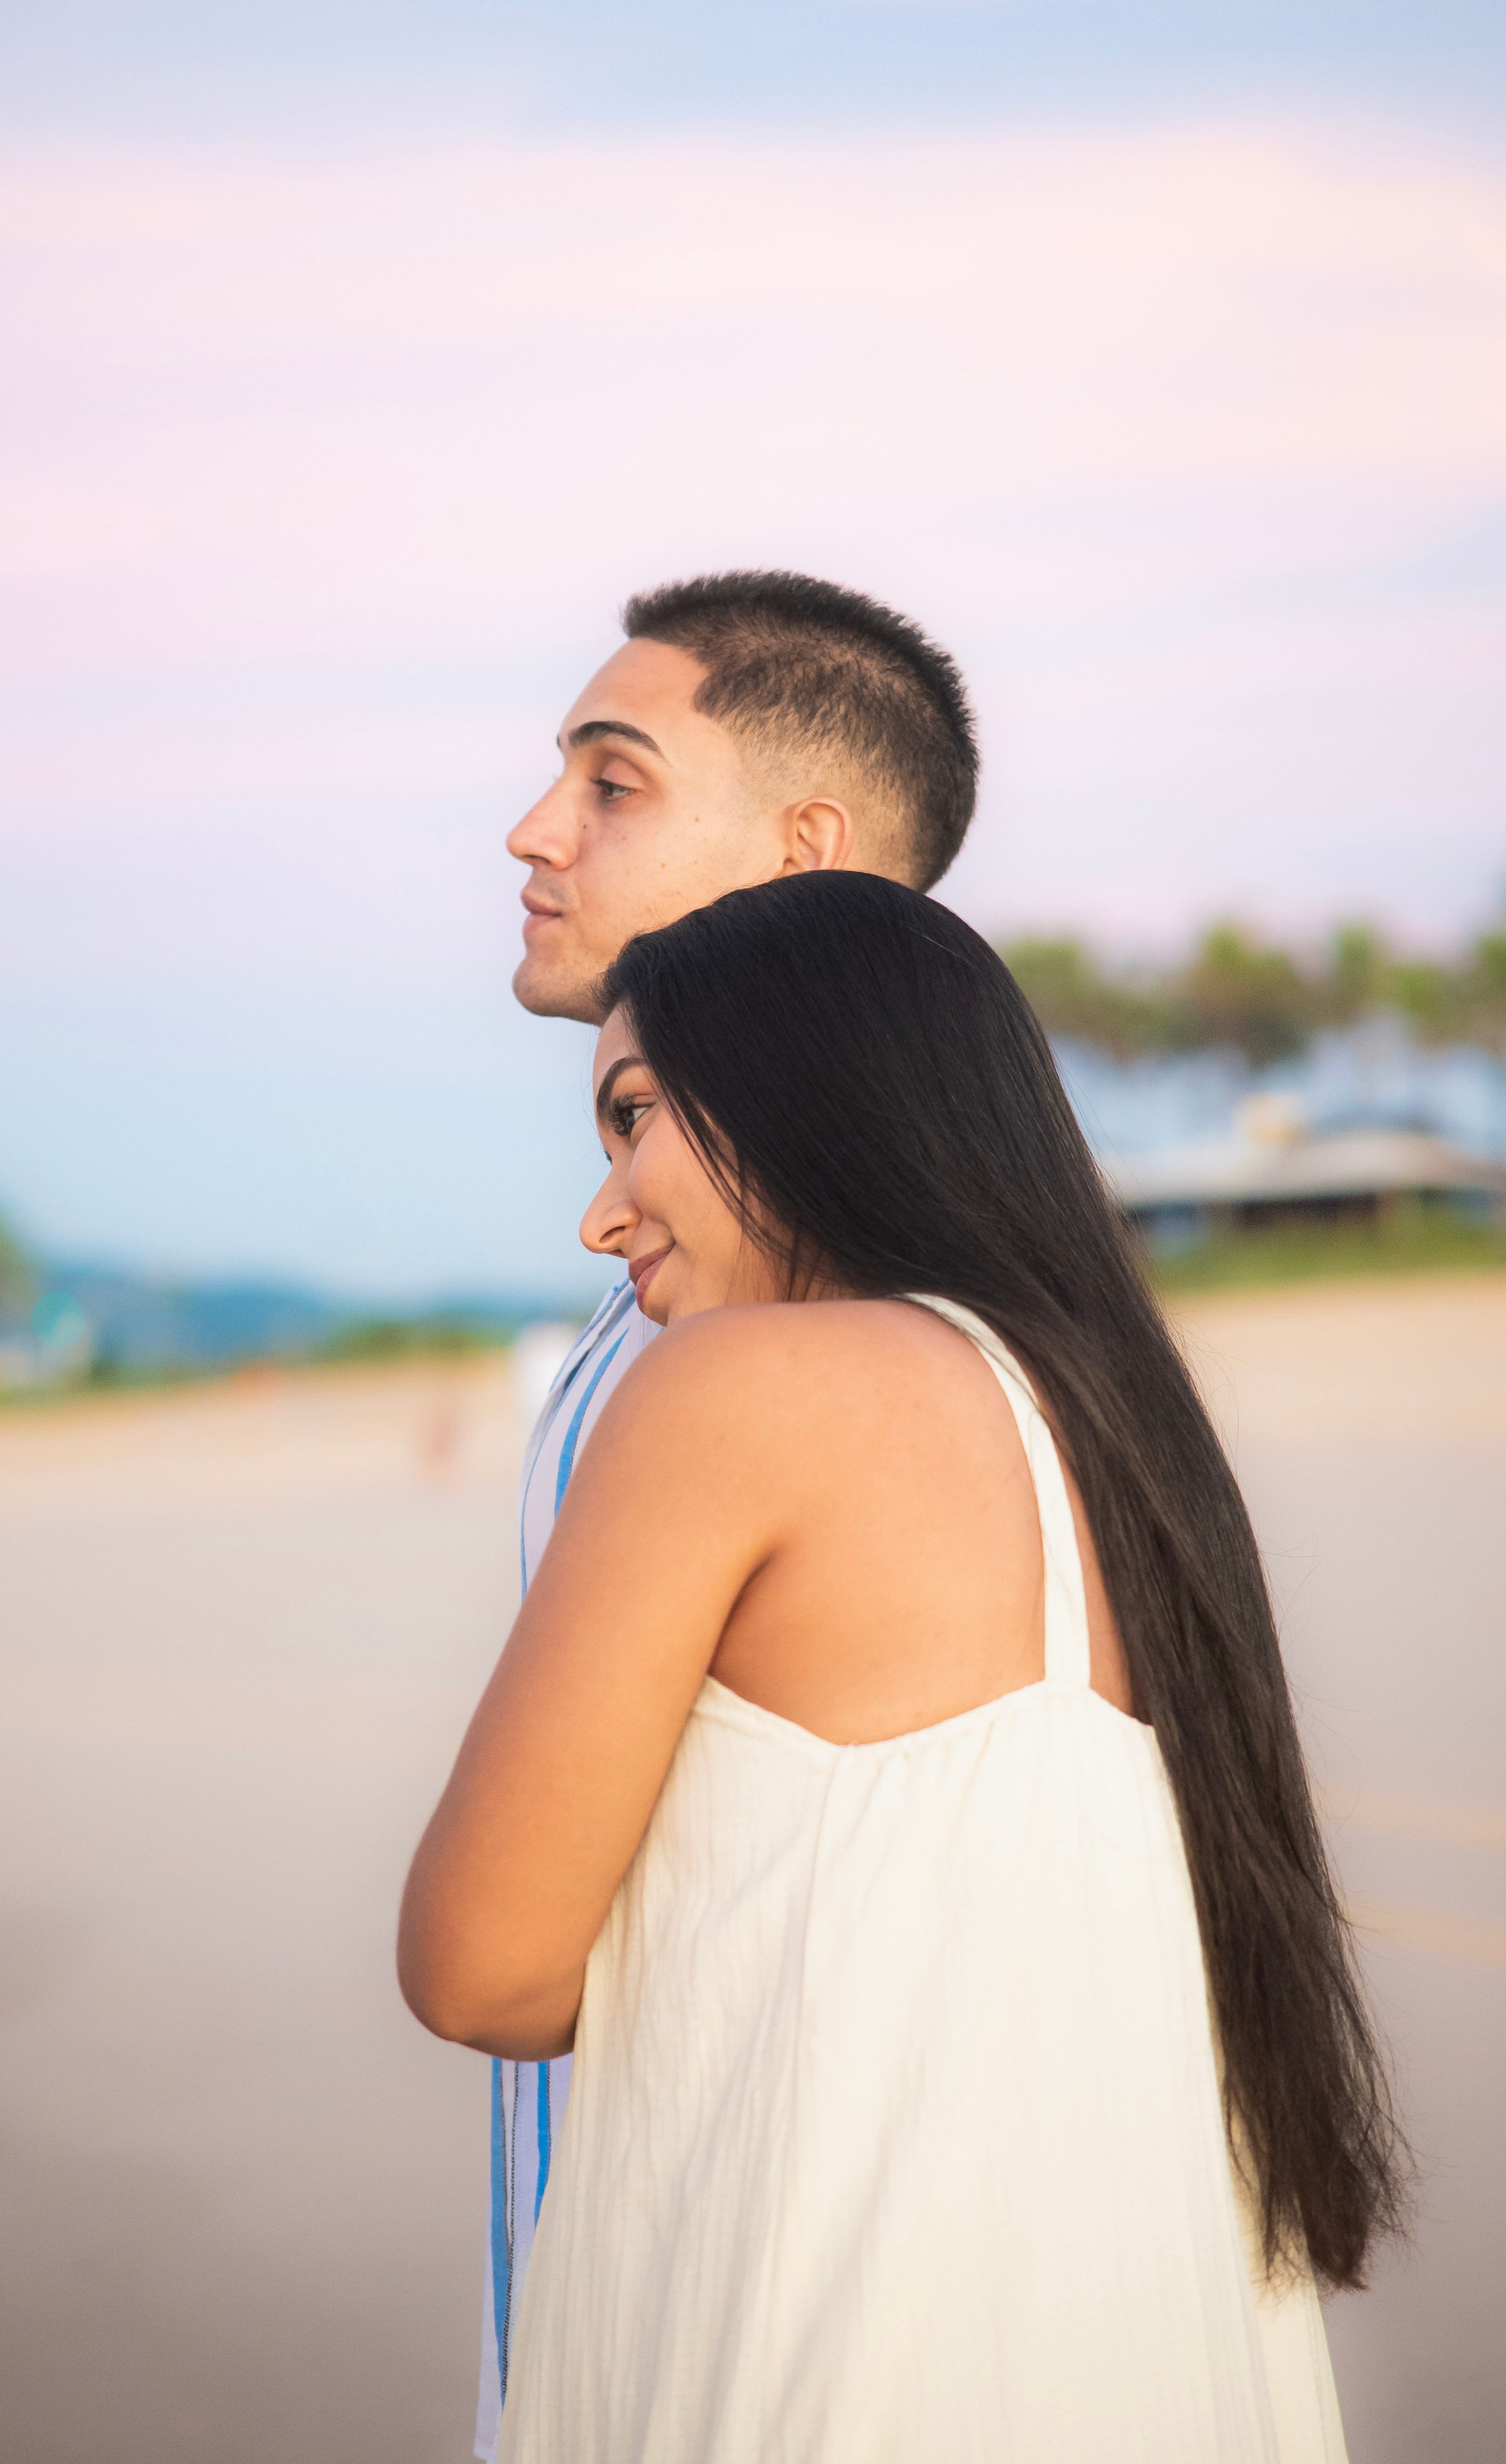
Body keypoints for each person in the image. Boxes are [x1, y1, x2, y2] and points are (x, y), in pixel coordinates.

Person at [400, 873, 1405, 2462]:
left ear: (809, 1085)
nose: (603, 1214)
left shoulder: (738, 1392)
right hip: (1123, 2353)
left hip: (832, 2343)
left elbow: (480, 1969)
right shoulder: (1121, 1437)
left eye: (635, 1114)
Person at [471, 570, 982, 2456]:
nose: (533, 832)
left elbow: (497, 1959)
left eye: (612, 784)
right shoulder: (674, 1304)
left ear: (807, 856)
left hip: (757, 2337)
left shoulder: (806, 1350)